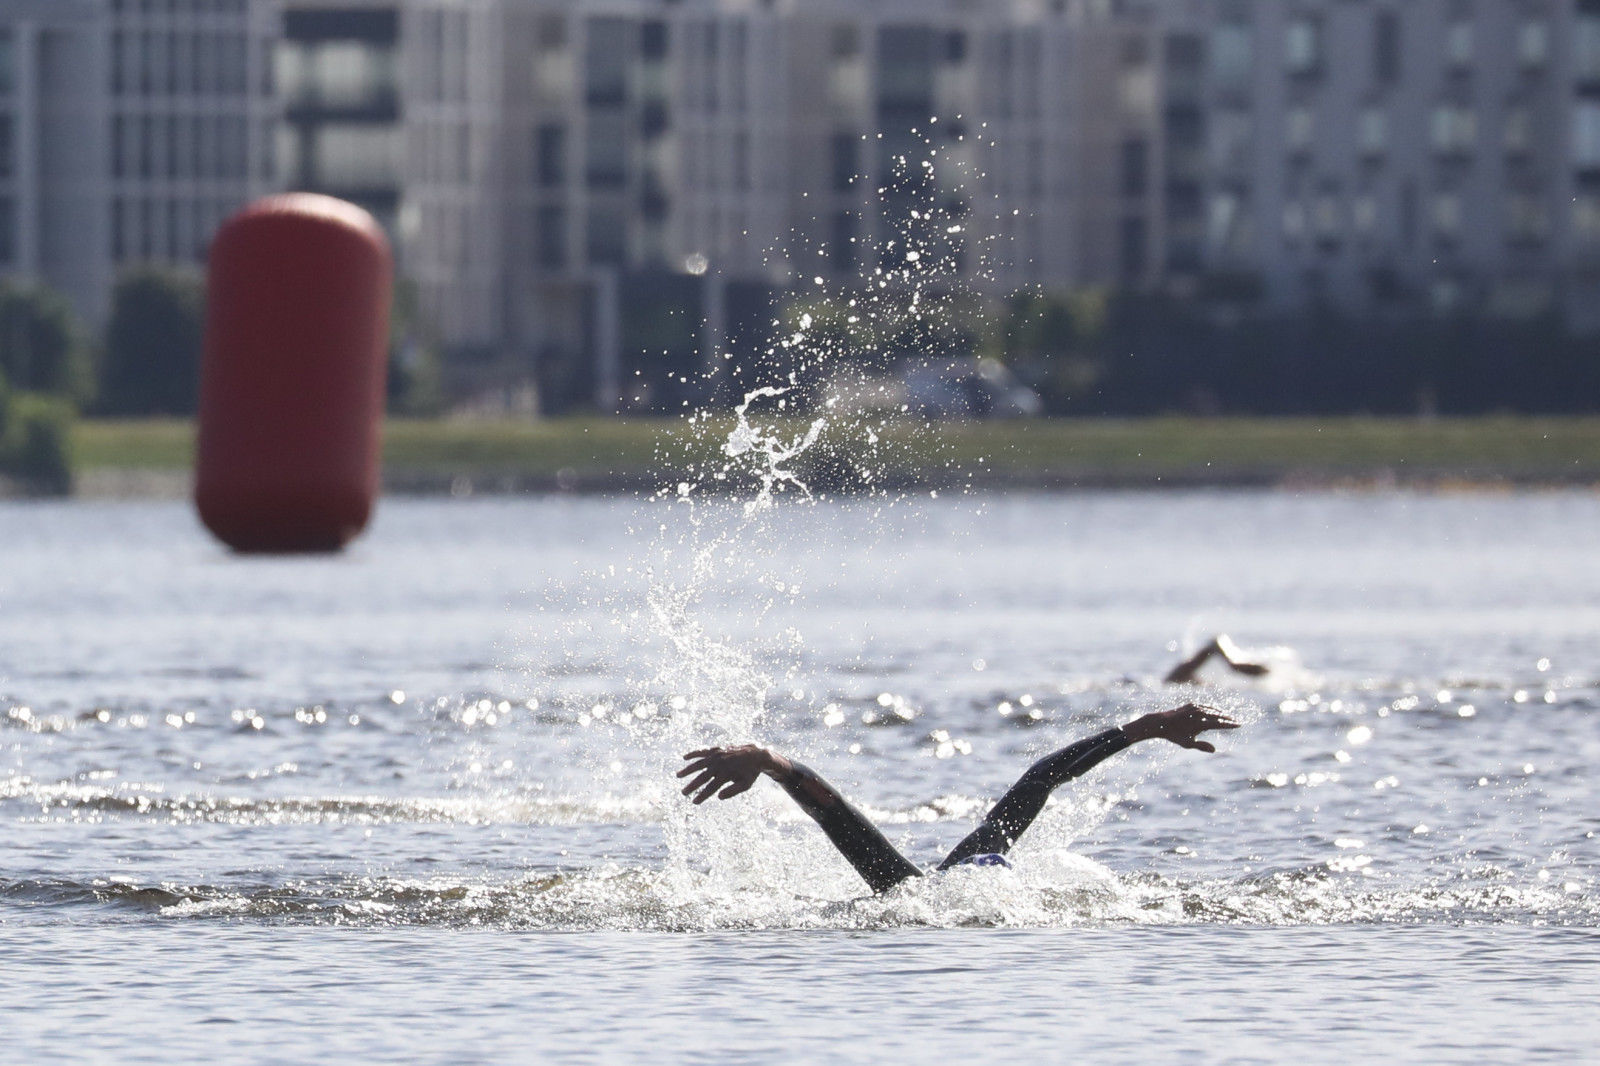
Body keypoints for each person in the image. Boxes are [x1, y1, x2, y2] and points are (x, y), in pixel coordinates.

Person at [677, 703, 1239, 894]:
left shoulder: (942, 877)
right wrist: (770, 761)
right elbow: (832, 810)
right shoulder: (906, 891)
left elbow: (1039, 780)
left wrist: (1140, 730)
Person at [1163, 634, 1270, 685]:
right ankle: (1262, 671)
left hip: (1216, 645)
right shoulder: (1182, 678)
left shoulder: (1177, 677)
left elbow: (1214, 642)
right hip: (1216, 645)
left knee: (1233, 666)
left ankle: (1262, 671)